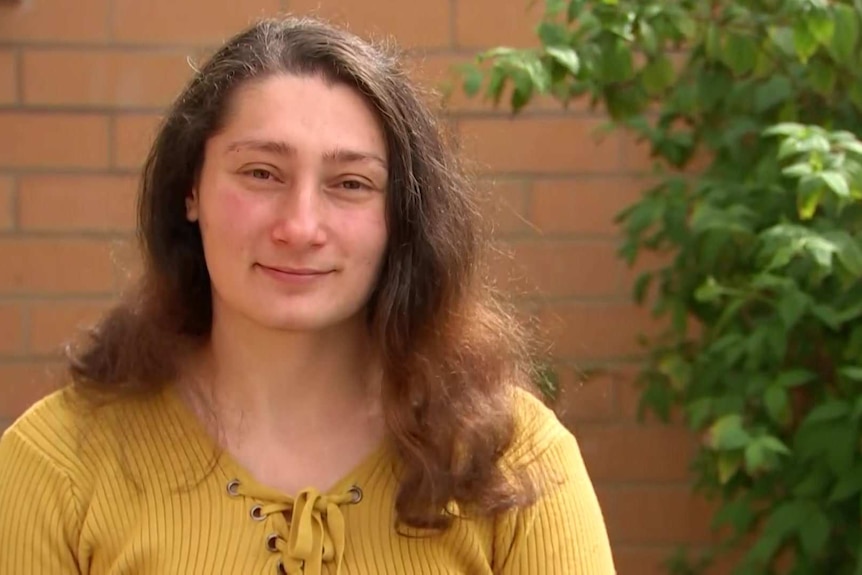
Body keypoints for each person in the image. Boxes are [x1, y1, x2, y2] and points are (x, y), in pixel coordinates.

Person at [0, 15, 616, 575]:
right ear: (190, 190)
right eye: (261, 173)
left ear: (399, 216)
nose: (299, 227)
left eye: (350, 183)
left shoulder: (517, 463)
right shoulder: (56, 464)